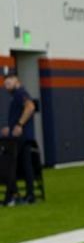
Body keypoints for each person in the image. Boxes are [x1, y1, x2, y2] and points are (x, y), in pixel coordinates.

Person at [1, 69, 38, 206]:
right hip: (23, 136)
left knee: (10, 166)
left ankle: (12, 195)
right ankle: (29, 195)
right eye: (5, 84)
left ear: (16, 80)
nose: (6, 86)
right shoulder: (16, 95)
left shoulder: (20, 93)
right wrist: (10, 129)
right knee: (25, 165)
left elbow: (30, 107)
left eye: (8, 83)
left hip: (21, 137)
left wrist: (19, 124)